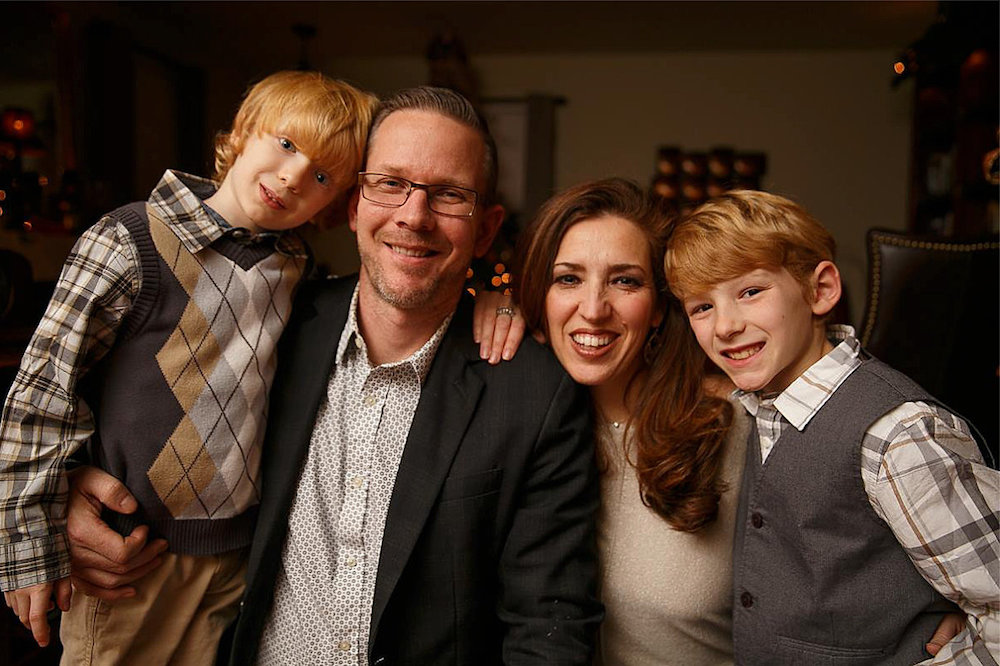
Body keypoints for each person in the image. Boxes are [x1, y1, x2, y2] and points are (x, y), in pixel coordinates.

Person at [65, 86, 603, 665]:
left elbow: (549, 624)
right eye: (390, 184)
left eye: (449, 195)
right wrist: (73, 486)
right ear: (353, 206)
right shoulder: (275, 322)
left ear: (487, 228)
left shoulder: (534, 393)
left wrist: (501, 295)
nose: (413, 217)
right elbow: (132, 387)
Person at [0, 70, 377, 662]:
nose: (293, 176)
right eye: (285, 143)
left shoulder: (298, 272)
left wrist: (491, 299)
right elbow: (43, 392)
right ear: (247, 129)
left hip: (237, 559)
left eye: (323, 175)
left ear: (338, 203)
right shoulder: (130, 240)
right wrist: (28, 545)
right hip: (135, 559)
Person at [665, 189, 999, 665]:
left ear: (820, 290)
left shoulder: (896, 437)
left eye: (750, 291)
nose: (724, 327)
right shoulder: (757, 408)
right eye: (702, 307)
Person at [502, 178, 749, 664]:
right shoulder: (521, 425)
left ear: (658, 307)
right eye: (568, 279)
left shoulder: (738, 424)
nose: (593, 311)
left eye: (625, 281)